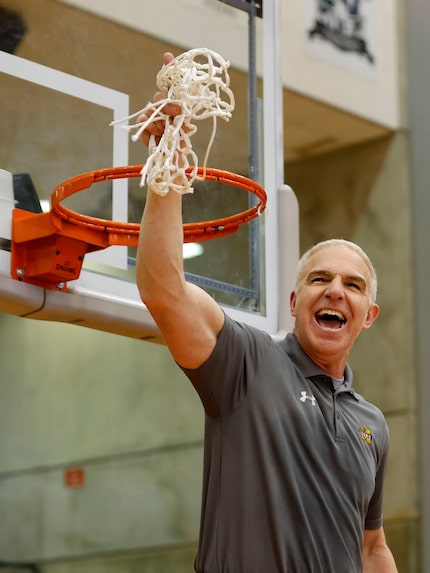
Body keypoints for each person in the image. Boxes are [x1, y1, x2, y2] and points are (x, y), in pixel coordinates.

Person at [136, 52, 398, 573]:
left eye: (353, 286)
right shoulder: (246, 362)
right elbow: (164, 290)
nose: (335, 292)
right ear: (294, 302)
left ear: (368, 315)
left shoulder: (373, 425)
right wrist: (167, 162)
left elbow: (372, 547)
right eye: (319, 279)